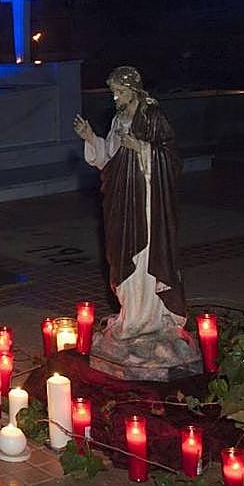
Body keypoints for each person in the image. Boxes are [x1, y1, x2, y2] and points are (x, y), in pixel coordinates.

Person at [74, 66, 188, 343]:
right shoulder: (118, 120)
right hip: (121, 201)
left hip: (147, 205)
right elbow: (109, 160)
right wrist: (91, 138)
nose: (116, 98)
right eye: (114, 92)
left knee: (145, 259)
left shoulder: (152, 116)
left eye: (120, 92)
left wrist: (141, 149)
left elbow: (171, 158)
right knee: (122, 256)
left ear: (134, 91)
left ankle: (149, 318)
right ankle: (131, 314)